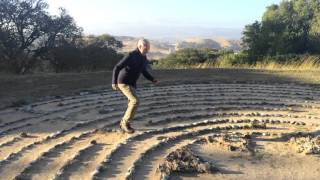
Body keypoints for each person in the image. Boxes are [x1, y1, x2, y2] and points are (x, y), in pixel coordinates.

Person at [112, 38, 158, 133]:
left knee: (132, 103)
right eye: (146, 48)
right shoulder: (131, 55)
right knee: (135, 101)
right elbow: (117, 67)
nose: (148, 50)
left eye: (148, 48)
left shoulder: (143, 57)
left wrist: (152, 79)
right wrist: (114, 82)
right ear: (140, 46)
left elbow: (143, 71)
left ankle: (124, 124)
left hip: (132, 83)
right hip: (123, 82)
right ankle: (124, 123)